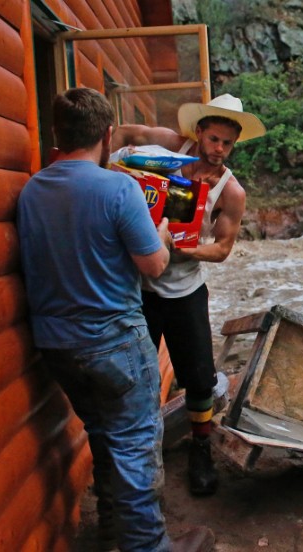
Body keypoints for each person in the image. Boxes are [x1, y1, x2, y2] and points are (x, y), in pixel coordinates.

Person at [17, 87, 214, 552]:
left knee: (105, 436)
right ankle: (147, 545)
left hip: (55, 344)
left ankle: (112, 536)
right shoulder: (118, 187)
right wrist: (162, 230)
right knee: (138, 444)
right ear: (107, 136)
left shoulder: (32, 190)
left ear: (57, 135)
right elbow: (153, 265)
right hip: (114, 342)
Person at [112, 93, 265, 496]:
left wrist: (179, 250)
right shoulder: (165, 146)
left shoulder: (232, 191)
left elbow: (223, 249)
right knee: (134, 377)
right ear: (198, 132)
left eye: (227, 144)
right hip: (137, 287)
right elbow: (123, 132)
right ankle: (139, 458)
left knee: (198, 379)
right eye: (213, 139)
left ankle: (201, 449)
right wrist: (106, 170)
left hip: (184, 290)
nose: (218, 150)